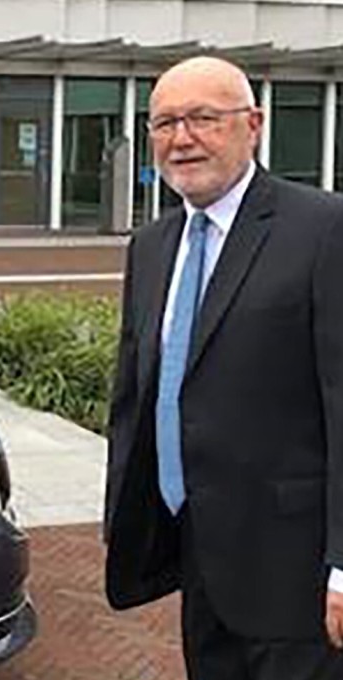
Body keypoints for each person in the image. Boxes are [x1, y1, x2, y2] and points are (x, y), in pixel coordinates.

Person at [104, 56, 343, 679]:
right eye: (165, 123)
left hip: (299, 579)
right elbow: (134, 396)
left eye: (204, 118)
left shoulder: (323, 229)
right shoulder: (152, 246)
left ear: (253, 124)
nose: (182, 139)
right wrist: (125, 517)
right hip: (199, 559)